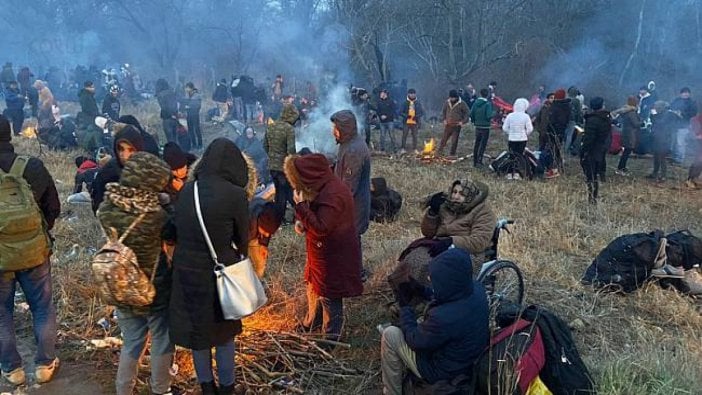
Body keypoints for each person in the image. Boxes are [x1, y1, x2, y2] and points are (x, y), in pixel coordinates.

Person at [169, 138, 253, 395]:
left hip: (186, 273)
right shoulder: (235, 195)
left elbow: (176, 228)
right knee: (224, 335)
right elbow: (243, 239)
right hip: (219, 275)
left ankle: (207, 388)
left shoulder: (187, 190)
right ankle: (227, 389)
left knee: (199, 336)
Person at [96, 152, 175, 395]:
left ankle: (124, 390)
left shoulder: (107, 207)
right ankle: (162, 389)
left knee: (132, 342)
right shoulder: (157, 215)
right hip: (153, 288)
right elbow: (172, 235)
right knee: (162, 339)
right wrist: (168, 204)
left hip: (119, 284)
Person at [0, 115, 60, 386]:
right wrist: (38, 232)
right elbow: (54, 207)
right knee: (42, 308)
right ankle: (45, 365)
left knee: (2, 313)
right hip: (35, 253)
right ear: (10, 134)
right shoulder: (32, 166)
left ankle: (12, 370)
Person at [381, 248, 489, 395]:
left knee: (390, 334)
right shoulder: (476, 289)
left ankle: (392, 392)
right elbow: (447, 296)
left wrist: (405, 307)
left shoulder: (443, 318)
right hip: (466, 360)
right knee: (419, 321)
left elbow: (415, 340)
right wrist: (420, 290)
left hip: (442, 372)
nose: (430, 279)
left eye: (434, 278)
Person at [284, 153, 363, 341]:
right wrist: (302, 220)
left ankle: (329, 339)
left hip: (333, 256)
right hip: (320, 254)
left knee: (329, 295)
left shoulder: (334, 194)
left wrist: (302, 207)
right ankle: (312, 324)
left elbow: (322, 227)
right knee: (314, 287)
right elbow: (317, 213)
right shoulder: (323, 187)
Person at [331, 110, 371, 280]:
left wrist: (333, 205)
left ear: (345, 129)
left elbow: (349, 187)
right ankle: (352, 270)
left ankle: (355, 273)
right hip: (349, 204)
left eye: (336, 128)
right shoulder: (348, 143)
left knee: (351, 239)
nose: (333, 131)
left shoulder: (354, 150)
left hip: (353, 205)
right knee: (349, 239)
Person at [421, 179, 496, 263]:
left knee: (433, 266)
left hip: (468, 252)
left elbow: (479, 242)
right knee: (413, 257)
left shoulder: (482, 212)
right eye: (454, 192)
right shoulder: (446, 206)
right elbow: (427, 233)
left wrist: (451, 241)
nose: (456, 197)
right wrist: (433, 213)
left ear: (470, 196)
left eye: (462, 194)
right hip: (440, 244)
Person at [91, 125, 145, 213]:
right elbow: (98, 206)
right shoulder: (108, 173)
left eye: (131, 149)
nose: (125, 155)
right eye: (121, 149)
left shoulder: (148, 166)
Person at [264, 103, 299, 222]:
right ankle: (298, 216)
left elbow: (265, 146)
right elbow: (291, 151)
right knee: (288, 193)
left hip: (272, 167)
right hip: (283, 168)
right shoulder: (289, 129)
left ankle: (280, 218)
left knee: (280, 193)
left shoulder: (271, 126)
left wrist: (273, 156)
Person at [580, 97, 611, 204]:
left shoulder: (593, 120)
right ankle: (594, 196)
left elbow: (589, 138)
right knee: (595, 173)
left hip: (592, 150)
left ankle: (592, 197)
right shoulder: (606, 118)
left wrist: (583, 150)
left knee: (591, 175)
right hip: (601, 148)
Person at [501, 98, 533, 180]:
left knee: (512, 156)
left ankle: (509, 173)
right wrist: (525, 134)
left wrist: (510, 132)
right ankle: (517, 174)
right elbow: (530, 129)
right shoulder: (526, 116)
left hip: (512, 139)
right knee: (520, 156)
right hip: (522, 139)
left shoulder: (510, 115)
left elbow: (504, 128)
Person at [648, 101, 679, 183]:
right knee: (656, 157)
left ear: (661, 107)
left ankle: (663, 175)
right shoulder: (661, 114)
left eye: (656, 107)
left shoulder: (668, 115)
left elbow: (660, 123)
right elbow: (654, 123)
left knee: (662, 158)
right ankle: (655, 173)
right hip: (657, 137)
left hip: (664, 139)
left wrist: (653, 115)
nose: (655, 108)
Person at [545, 88, 571, 178]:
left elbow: (551, 121)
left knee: (553, 150)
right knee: (558, 149)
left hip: (553, 132)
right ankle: (560, 166)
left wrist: (548, 130)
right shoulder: (567, 106)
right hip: (562, 131)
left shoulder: (555, 107)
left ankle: (553, 169)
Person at [612, 96, 641, 176]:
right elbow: (635, 124)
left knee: (626, 151)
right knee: (627, 152)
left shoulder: (625, 111)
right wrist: (642, 123)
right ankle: (621, 168)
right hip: (630, 133)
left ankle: (622, 167)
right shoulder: (631, 112)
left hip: (626, 132)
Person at [669, 87, 698, 165]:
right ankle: (674, 157)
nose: (685, 94)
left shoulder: (692, 103)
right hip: (674, 125)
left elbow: (693, 114)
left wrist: (682, 114)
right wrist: (674, 112)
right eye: (684, 92)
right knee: (674, 142)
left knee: (680, 143)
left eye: (687, 92)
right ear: (681, 93)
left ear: (689, 94)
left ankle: (679, 159)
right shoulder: (676, 100)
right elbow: (670, 108)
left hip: (684, 125)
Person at [438, 90, 470, 157]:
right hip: (448, 125)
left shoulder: (462, 103)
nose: (451, 99)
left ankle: (452, 154)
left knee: (454, 141)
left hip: (456, 125)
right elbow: (443, 111)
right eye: (450, 97)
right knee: (444, 139)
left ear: (456, 97)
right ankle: (439, 151)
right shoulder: (447, 102)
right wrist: (444, 119)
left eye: (453, 98)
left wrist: (463, 122)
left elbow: (467, 113)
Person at [470, 88, 495, 168]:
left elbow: (471, 114)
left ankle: (474, 161)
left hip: (477, 127)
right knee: (482, 144)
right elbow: (488, 116)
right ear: (487, 95)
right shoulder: (487, 104)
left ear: (480, 94)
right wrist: (495, 113)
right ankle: (479, 161)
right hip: (485, 127)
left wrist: (474, 122)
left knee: (477, 144)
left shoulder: (475, 103)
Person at [155, 79, 178, 143]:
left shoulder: (160, 95)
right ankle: (178, 151)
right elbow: (176, 104)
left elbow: (163, 107)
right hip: (175, 117)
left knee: (170, 139)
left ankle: (172, 152)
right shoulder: (171, 92)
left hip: (167, 118)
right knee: (175, 137)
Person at [181, 82, 202, 149]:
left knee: (197, 129)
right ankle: (194, 144)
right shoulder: (187, 95)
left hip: (195, 114)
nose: (186, 89)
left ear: (190, 88)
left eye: (187, 88)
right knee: (190, 130)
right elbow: (184, 103)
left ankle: (200, 144)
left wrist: (189, 107)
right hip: (189, 114)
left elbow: (198, 105)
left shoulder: (197, 95)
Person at [564, 86, 584, 156]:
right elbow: (578, 112)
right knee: (569, 135)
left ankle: (560, 146)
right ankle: (565, 150)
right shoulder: (577, 101)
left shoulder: (565, 99)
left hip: (564, 119)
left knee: (564, 133)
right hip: (572, 120)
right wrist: (578, 121)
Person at [685, 112, 702, 189]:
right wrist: (697, 134)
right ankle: (690, 179)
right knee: (698, 161)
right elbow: (695, 133)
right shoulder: (695, 119)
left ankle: (695, 179)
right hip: (698, 142)